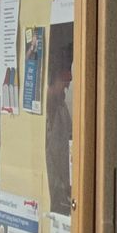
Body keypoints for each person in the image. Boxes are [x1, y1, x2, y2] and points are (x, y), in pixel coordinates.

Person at [45, 44, 74, 215]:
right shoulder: (45, 112)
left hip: (62, 191)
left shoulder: (62, 107)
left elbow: (69, 145)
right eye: (64, 80)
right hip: (51, 192)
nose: (67, 86)